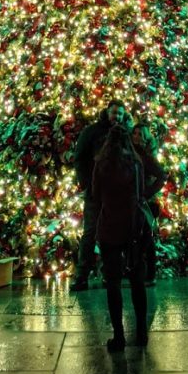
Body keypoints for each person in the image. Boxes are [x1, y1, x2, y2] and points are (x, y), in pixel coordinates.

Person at [92, 124, 148, 352]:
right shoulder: (135, 164)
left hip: (109, 227)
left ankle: (119, 336)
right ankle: (142, 332)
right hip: (133, 228)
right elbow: (142, 192)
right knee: (137, 281)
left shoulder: (101, 164)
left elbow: (95, 195)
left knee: (113, 283)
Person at [71, 99, 126, 290]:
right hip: (95, 193)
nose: (116, 116)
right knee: (90, 233)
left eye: (120, 113)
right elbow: (79, 158)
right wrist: (86, 184)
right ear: (107, 112)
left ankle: (109, 274)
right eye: (114, 112)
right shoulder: (92, 132)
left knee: (114, 235)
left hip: (116, 195)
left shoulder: (124, 134)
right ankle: (82, 276)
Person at [130, 121, 166, 286]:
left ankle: (150, 274)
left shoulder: (146, 156)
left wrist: (147, 192)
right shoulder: (130, 152)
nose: (136, 137)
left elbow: (161, 175)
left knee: (147, 239)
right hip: (133, 201)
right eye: (135, 133)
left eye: (140, 134)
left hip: (145, 203)